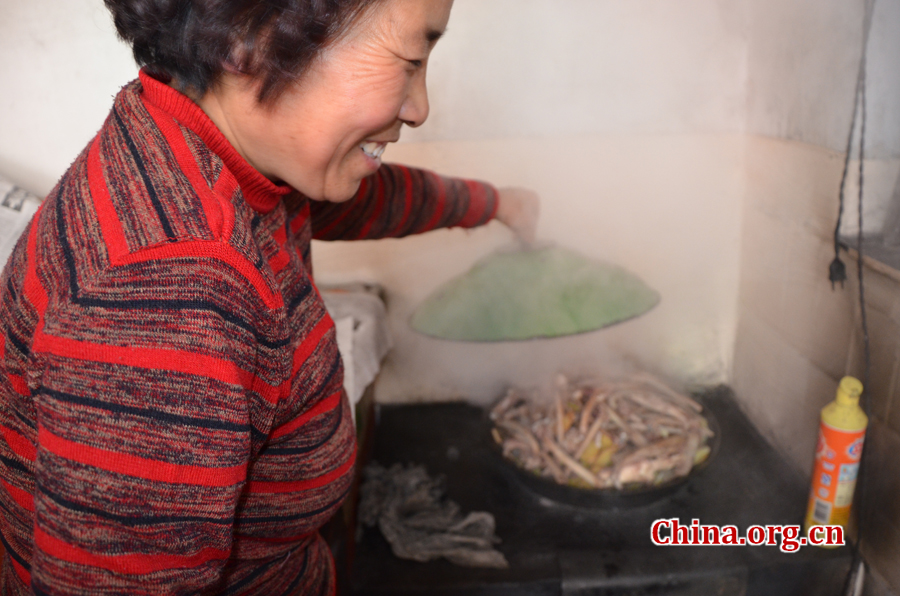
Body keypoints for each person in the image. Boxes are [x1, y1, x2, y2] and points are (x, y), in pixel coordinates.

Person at [0, 0, 538, 593]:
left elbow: (366, 200)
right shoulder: (173, 299)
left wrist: (494, 204)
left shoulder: (191, 136)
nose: (420, 107)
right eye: (410, 58)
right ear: (250, 40)